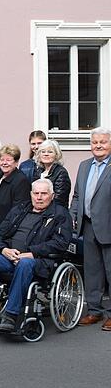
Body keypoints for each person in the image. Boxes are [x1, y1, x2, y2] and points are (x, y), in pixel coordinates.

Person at [0, 179, 72, 332]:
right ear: (31, 194)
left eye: (44, 194)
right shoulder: (20, 209)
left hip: (38, 261)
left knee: (24, 264)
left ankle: (11, 314)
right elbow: (0, 234)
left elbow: (61, 243)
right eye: (36, 193)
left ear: (52, 195)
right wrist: (4, 249)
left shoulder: (60, 214)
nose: (39, 197)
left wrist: (31, 253)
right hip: (10, 257)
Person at [71, 128, 111, 330]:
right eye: (95, 142)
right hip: (87, 226)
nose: (98, 145)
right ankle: (94, 311)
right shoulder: (84, 165)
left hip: (109, 226)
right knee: (92, 271)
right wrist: (73, 216)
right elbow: (77, 195)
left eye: (103, 142)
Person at [0, 145, 30, 234]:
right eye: (2, 160)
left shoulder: (21, 181)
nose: (4, 163)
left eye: (8, 160)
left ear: (16, 162)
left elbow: (18, 211)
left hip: (7, 231)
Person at [32, 139, 71, 208]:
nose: (46, 154)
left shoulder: (61, 173)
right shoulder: (38, 171)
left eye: (50, 152)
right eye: (43, 152)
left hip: (55, 213)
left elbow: (59, 200)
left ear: (56, 155)